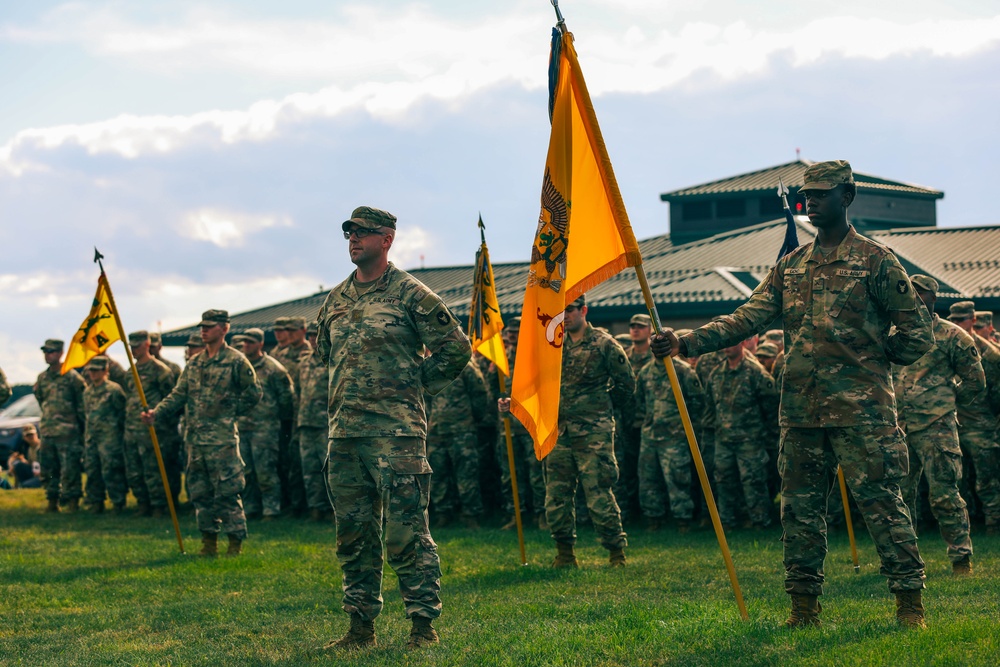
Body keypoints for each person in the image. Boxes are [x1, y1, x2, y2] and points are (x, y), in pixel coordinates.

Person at [651, 160, 934, 628]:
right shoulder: (791, 265)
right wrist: (686, 342)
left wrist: (875, 360)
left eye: (822, 193)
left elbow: (917, 332)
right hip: (801, 413)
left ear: (847, 196)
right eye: (807, 194)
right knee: (800, 515)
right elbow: (747, 317)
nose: (811, 201)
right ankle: (803, 610)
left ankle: (909, 604)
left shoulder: (876, 260)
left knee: (883, 508)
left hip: (863, 415)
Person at [317, 206, 471, 650]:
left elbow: (455, 350)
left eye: (364, 233)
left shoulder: (412, 295)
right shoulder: (336, 299)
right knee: (354, 534)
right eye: (349, 232)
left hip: (397, 435)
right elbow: (326, 354)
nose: (353, 239)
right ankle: (359, 628)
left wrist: (415, 386)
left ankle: (423, 626)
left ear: (387, 239)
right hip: (344, 435)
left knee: (406, 533)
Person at [502, 294, 635, 569]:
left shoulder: (604, 345)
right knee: (556, 495)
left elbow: (626, 385)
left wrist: (602, 409)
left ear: (584, 310)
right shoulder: (552, 344)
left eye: (572, 309)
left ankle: (615, 553)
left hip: (593, 433)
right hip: (559, 432)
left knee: (599, 493)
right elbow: (535, 382)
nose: (566, 314)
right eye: (561, 310)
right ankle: (564, 553)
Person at [142, 309, 262, 557]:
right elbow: (179, 394)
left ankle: (235, 543)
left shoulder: (236, 361)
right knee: (200, 494)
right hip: (195, 441)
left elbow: (254, 393)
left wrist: (228, 411)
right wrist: (157, 413)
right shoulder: (195, 362)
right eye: (202, 326)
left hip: (222, 441)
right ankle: (208, 543)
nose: (203, 330)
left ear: (224, 329)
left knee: (227, 493)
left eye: (209, 326)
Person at [893, 282, 981, 573]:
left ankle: (960, 558)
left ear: (933, 298)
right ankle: (905, 560)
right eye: (910, 292)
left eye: (922, 293)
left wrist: (947, 402)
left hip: (936, 428)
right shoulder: (895, 336)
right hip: (899, 428)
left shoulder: (952, 335)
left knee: (944, 495)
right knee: (899, 497)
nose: (916, 298)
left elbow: (975, 381)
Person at [703, 339, 779, 529]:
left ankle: (760, 522)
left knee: (753, 481)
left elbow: (770, 408)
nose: (727, 345)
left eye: (732, 342)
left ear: (742, 343)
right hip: (724, 439)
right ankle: (728, 522)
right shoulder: (716, 373)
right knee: (723, 480)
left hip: (750, 439)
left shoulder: (755, 372)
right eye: (725, 342)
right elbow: (711, 406)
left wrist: (767, 436)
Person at [633, 344, 703, 532]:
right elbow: (639, 400)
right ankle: (653, 518)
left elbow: (697, 402)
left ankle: (683, 520)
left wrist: (684, 427)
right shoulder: (645, 372)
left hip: (675, 436)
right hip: (650, 435)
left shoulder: (683, 371)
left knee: (678, 478)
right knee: (648, 478)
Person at [490, 317, 547, 530]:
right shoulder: (500, 360)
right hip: (507, 426)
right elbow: (491, 390)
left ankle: (542, 515)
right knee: (511, 474)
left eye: (516, 331)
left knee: (536, 473)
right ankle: (516, 515)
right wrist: (499, 401)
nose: (511, 335)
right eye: (509, 332)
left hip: (530, 425)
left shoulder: (535, 358)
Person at [948, 301, 1000, 535]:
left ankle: (993, 525)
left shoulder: (989, 354)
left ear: (973, 320)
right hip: (956, 426)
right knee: (960, 481)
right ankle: (970, 524)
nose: (957, 324)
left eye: (962, 320)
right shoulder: (948, 344)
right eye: (954, 320)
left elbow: (997, 395)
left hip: (981, 427)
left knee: (987, 481)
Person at [233, 328, 294, 520]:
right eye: (244, 342)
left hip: (265, 428)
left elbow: (286, 399)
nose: (246, 346)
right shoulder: (241, 366)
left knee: (265, 470)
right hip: (243, 426)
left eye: (250, 342)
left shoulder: (274, 368)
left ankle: (271, 510)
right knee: (247, 471)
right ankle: (251, 508)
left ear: (260, 344)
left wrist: (277, 420)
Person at [426, 357, 491, 529]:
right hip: (436, 430)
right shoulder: (430, 365)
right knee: (438, 474)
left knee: (466, 473)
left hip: (462, 429)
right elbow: (424, 398)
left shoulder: (466, 366)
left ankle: (471, 515)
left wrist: (471, 419)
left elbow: (480, 395)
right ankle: (443, 513)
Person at [122, 331, 177, 517]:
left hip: (152, 429)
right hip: (131, 429)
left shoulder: (160, 370)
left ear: (147, 345)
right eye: (131, 347)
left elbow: (169, 399)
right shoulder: (131, 371)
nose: (134, 350)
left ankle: (158, 506)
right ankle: (142, 503)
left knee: (153, 469)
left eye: (137, 346)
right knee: (135, 470)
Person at [33, 338, 86, 513]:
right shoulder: (42, 378)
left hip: (68, 432)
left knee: (70, 468)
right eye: (45, 352)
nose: (47, 355)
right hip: (48, 432)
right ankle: (52, 501)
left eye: (51, 352)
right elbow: (42, 400)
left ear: (61, 353)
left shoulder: (72, 377)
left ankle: (72, 502)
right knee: (48, 468)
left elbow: (81, 404)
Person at [272, 315, 312, 517]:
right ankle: (290, 503)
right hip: (284, 414)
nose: (288, 334)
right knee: (285, 461)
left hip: (303, 415)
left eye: (292, 330)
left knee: (301, 461)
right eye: (286, 330)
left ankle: (305, 505)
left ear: (303, 331)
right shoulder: (280, 354)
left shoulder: (309, 354)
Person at [82, 356, 128, 514]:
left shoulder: (114, 390)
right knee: (92, 470)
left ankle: (118, 502)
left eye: (96, 370)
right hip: (92, 438)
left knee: (112, 470)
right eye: (91, 371)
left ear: (105, 371)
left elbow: (122, 413)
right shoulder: (87, 392)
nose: (93, 374)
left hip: (110, 438)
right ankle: (96, 502)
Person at [297, 322, 333, 521]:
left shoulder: (332, 360)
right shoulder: (303, 362)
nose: (312, 338)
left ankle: (332, 509)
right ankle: (315, 508)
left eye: (316, 335)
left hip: (325, 423)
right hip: (306, 422)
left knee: (329, 468)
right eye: (310, 335)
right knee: (309, 469)